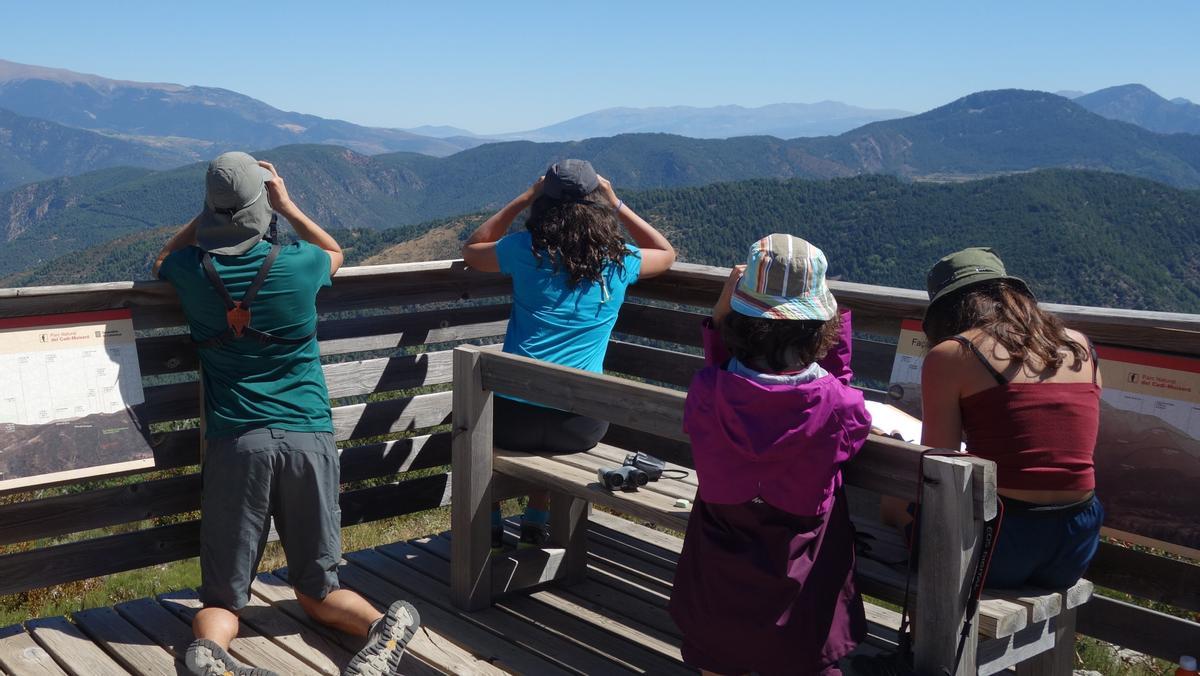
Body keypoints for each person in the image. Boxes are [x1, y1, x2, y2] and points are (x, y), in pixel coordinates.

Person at [154, 151, 419, 676]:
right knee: (318, 590)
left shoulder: (191, 270)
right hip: (308, 438)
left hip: (238, 443)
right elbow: (335, 249)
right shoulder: (300, 265)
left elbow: (162, 258)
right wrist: (287, 203)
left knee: (225, 600)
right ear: (264, 207)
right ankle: (381, 631)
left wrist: (211, 211)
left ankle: (210, 654)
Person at [668, 235, 870, 676]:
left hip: (718, 576)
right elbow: (842, 405)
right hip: (802, 583)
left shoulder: (707, 391)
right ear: (822, 324)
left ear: (737, 319)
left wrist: (722, 314)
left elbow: (720, 373)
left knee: (717, 656)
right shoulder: (840, 406)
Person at [460, 159, 676, 547]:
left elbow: (473, 248)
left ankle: (490, 522)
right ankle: (535, 520)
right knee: (555, 401)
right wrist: (616, 202)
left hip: (513, 419)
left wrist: (525, 197)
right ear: (595, 200)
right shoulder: (620, 259)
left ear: (545, 198)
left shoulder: (525, 249)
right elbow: (666, 252)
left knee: (483, 419)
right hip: (579, 425)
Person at [915, 246, 1103, 589]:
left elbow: (938, 466)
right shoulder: (1080, 346)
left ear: (945, 310)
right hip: (1077, 543)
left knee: (892, 506)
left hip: (1001, 540)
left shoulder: (953, 354)